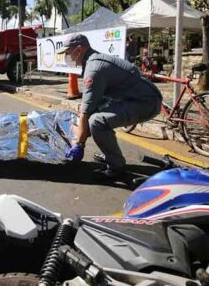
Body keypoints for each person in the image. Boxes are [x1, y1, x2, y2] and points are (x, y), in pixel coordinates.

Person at [59, 34, 162, 180]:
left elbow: (86, 112)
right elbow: (91, 105)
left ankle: (116, 168)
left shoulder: (94, 69)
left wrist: (80, 144)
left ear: (79, 49)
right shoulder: (92, 61)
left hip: (145, 103)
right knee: (92, 117)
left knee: (97, 121)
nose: (67, 56)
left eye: (68, 52)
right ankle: (110, 154)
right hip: (132, 98)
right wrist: (80, 134)